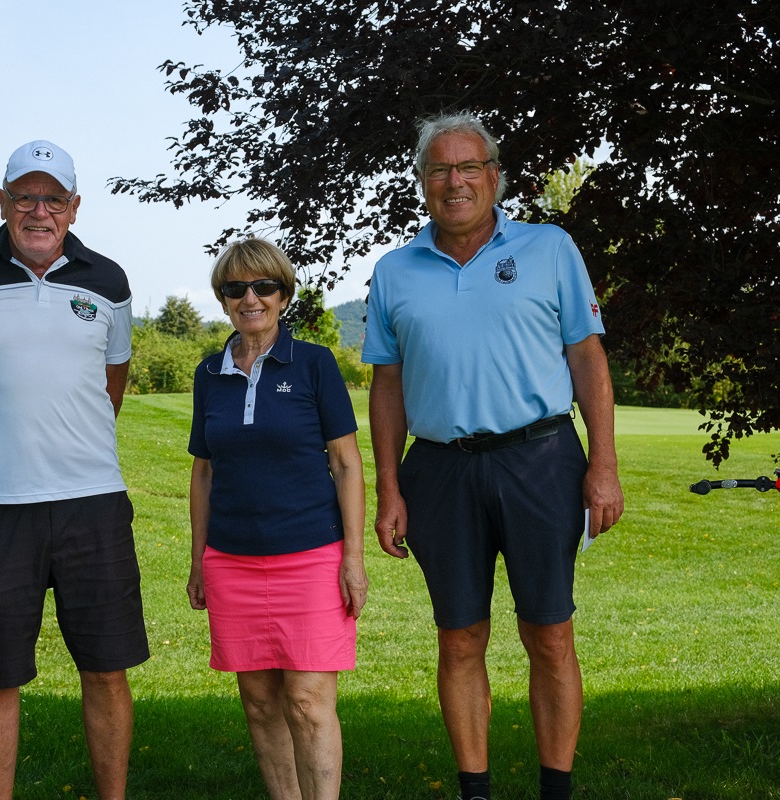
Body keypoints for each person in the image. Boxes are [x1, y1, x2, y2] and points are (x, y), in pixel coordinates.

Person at [362, 113, 624, 800]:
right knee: (459, 638)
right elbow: (386, 385)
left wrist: (603, 466)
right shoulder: (394, 272)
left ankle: (555, 790)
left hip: (541, 459)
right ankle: (475, 791)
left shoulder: (550, 248)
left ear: (494, 176)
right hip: (439, 469)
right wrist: (389, 489)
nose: (455, 181)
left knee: (550, 634)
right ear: (423, 181)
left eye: (468, 166)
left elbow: (587, 358)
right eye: (439, 169)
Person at [0, 139, 149, 800]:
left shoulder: (109, 282)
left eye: (53, 198)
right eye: (25, 196)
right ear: (3, 202)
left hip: (93, 504)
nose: (39, 210)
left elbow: (110, 386)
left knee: (106, 669)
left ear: (75, 207)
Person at [187, 238, 368, 800]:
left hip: (310, 556)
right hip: (231, 560)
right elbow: (203, 473)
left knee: (308, 703)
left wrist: (353, 559)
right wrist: (198, 561)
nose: (251, 299)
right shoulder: (208, 373)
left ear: (284, 296)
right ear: (223, 299)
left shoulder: (314, 363)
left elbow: (346, 463)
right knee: (260, 704)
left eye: (264, 286)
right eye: (236, 288)